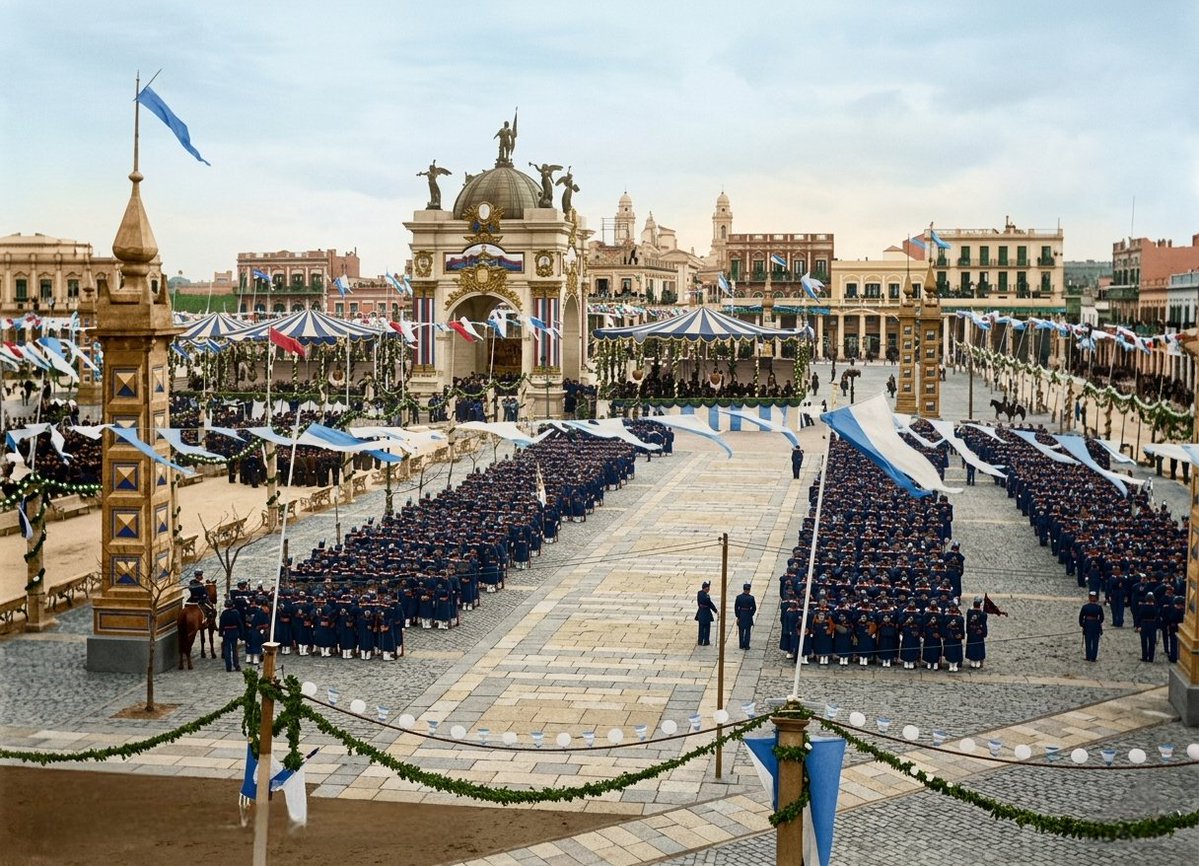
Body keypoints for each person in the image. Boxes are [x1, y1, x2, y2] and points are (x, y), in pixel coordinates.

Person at [218, 598, 244, 673]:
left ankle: (228, 667)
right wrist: (241, 633)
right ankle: (236, 665)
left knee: (227, 650)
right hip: (234, 632)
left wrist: (220, 632)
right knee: (235, 649)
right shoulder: (236, 613)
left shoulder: (224, 613)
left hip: (226, 632)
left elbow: (221, 624)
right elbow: (239, 623)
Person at [1078, 590, 1104, 662]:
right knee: (1095, 641)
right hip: (1096, 625)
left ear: (1089, 598)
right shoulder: (1098, 608)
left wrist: (1082, 624)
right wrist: (1098, 622)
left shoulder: (1085, 607)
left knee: (1088, 641)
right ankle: (1093, 657)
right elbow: (1102, 618)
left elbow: (1081, 617)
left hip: (1088, 624)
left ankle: (1088, 656)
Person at [1136, 592, 1160, 662]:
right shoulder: (1155, 607)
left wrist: (1138, 626)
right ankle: (1151, 658)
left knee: (1144, 642)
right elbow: (1158, 617)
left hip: (1144, 624)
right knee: (1152, 642)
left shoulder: (1142, 607)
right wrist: (1158, 626)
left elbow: (1138, 617)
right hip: (1152, 624)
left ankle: (1144, 657)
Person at [734, 583, 757, 650]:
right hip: (748, 615)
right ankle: (746, 645)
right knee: (747, 631)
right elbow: (754, 608)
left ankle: (741, 645)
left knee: (741, 631)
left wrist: (738, 616)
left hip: (741, 615)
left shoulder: (739, 597)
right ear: (749, 590)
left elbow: (736, 607)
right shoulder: (751, 598)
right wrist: (751, 614)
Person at [695, 580, 718, 646]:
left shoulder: (699, 593)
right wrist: (715, 610)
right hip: (706, 613)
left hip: (700, 612)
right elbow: (710, 604)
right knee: (707, 628)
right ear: (706, 588)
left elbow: (698, 603)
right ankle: (706, 641)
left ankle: (700, 641)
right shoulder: (706, 596)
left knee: (701, 628)